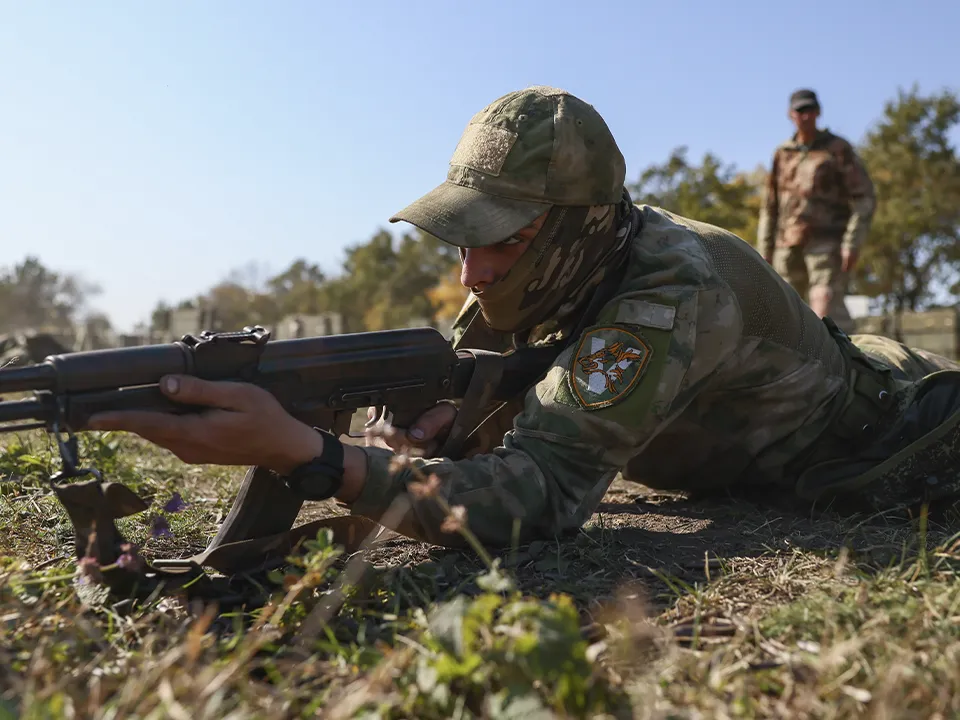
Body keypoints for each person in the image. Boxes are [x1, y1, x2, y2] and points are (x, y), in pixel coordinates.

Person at [89, 86, 960, 552]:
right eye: (465, 238)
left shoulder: (669, 293)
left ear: (575, 224)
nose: (474, 272)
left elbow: (541, 493)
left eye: (500, 240)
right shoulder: (547, 265)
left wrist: (314, 457)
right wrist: (422, 436)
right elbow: (469, 412)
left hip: (884, 438)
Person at [757, 89, 876, 334]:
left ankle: (846, 367)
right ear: (791, 115)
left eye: (811, 110)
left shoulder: (837, 149)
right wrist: (763, 251)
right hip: (786, 247)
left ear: (819, 112)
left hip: (827, 243)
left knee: (825, 309)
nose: (806, 116)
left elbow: (864, 197)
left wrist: (852, 242)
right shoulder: (783, 153)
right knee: (786, 314)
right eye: (801, 111)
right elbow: (770, 206)